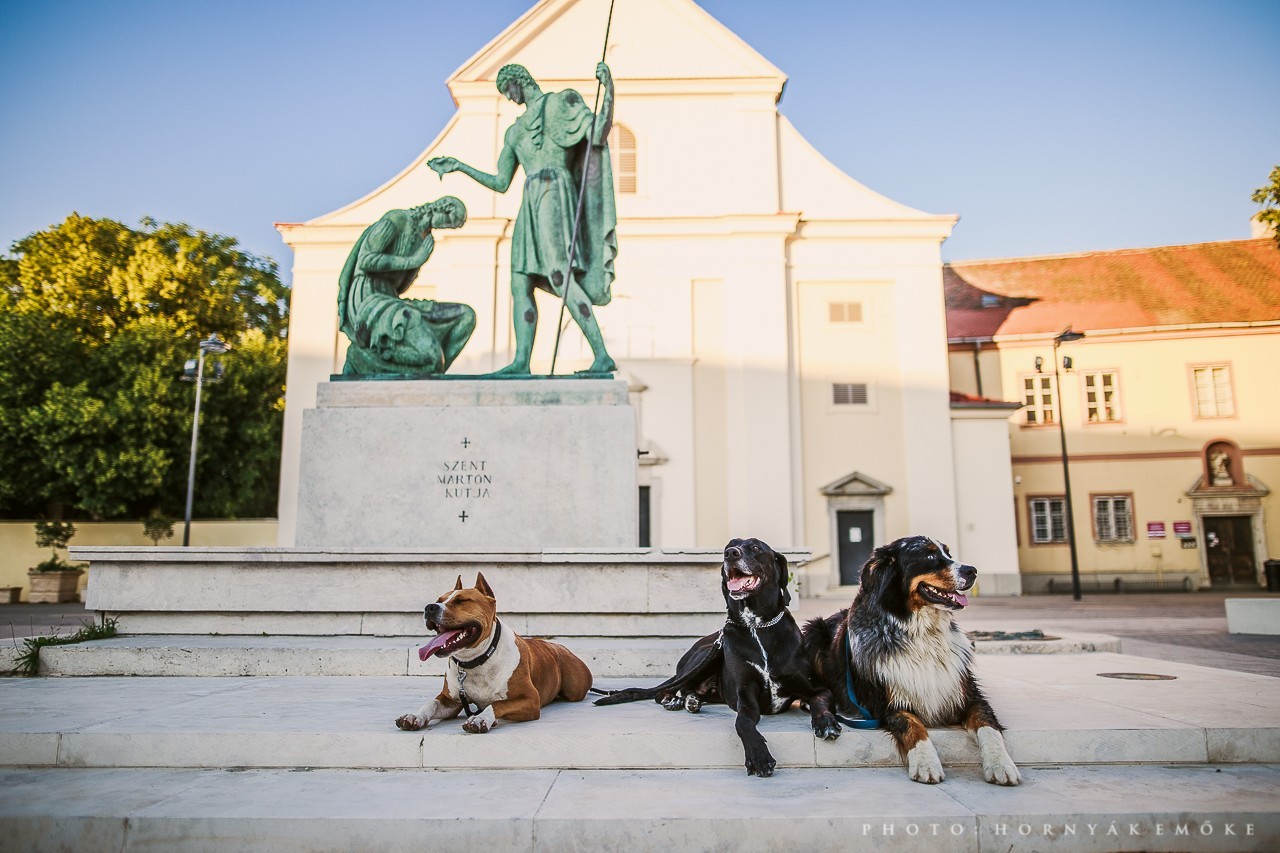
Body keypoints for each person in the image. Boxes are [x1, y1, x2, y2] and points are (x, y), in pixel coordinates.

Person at [428, 62, 618, 375]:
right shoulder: (514, 133)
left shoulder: (561, 102)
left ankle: (601, 354)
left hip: (555, 191)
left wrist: (609, 90)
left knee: (560, 275)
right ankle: (521, 362)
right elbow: (501, 182)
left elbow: (598, 133)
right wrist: (460, 166)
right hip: (529, 202)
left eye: (508, 90)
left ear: (519, 81)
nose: (509, 98)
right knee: (520, 281)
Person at [337, 196, 476, 375]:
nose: (447, 226)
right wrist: (413, 260)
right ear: (441, 209)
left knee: (466, 316)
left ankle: (431, 373)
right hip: (369, 299)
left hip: (393, 299)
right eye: (449, 220)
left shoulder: (425, 238)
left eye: (452, 226)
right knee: (433, 360)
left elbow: (401, 287)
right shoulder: (397, 219)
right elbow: (365, 260)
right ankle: (362, 358)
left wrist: (415, 267)